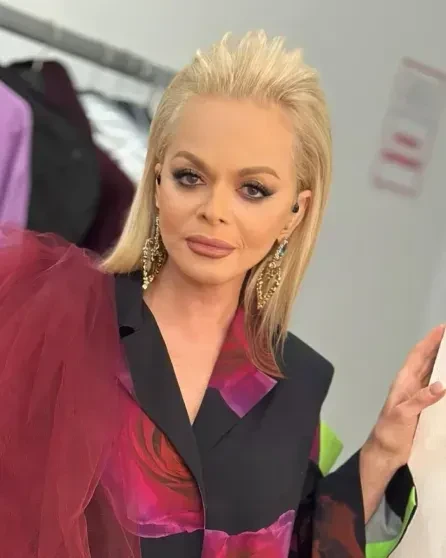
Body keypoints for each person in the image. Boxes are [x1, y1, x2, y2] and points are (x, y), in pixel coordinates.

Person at [0, 31, 443, 558]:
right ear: (157, 181)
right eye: (191, 177)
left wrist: (384, 449)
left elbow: (299, 547)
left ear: (294, 213)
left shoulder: (296, 382)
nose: (215, 210)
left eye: (253, 189)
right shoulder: (62, 317)